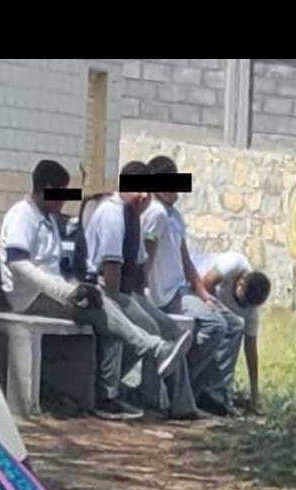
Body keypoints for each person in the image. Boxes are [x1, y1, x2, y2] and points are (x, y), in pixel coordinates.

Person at [0, 160, 192, 420]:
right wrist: (64, 291)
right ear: (46, 188)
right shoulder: (23, 215)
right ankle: (150, 355)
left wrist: (71, 288)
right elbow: (19, 265)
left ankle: (156, 363)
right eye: (61, 193)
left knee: (107, 307)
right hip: (30, 297)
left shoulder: (49, 218)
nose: (64, 201)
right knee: (105, 307)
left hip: (56, 292)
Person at [79, 161, 205, 420]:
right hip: (102, 290)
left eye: (147, 191)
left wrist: (141, 301)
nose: (143, 196)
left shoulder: (133, 216)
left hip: (127, 292)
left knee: (172, 330)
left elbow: (138, 268)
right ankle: (121, 394)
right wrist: (118, 306)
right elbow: (111, 267)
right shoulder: (113, 214)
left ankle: (182, 406)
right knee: (148, 328)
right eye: (138, 190)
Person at [142, 156, 237, 417]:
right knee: (215, 326)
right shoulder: (155, 215)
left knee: (234, 324)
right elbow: (148, 253)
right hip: (166, 294)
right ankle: (177, 383)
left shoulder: (174, 216)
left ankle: (212, 392)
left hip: (182, 289)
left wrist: (204, 294)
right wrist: (143, 292)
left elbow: (185, 260)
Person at [194, 251, 270, 416]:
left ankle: (215, 392)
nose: (244, 306)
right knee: (234, 324)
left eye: (248, 304)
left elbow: (250, 349)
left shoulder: (251, 311)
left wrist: (254, 393)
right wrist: (216, 310)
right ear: (240, 283)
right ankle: (212, 392)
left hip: (215, 317)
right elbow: (206, 282)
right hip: (195, 290)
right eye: (242, 301)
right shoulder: (234, 264)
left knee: (233, 325)